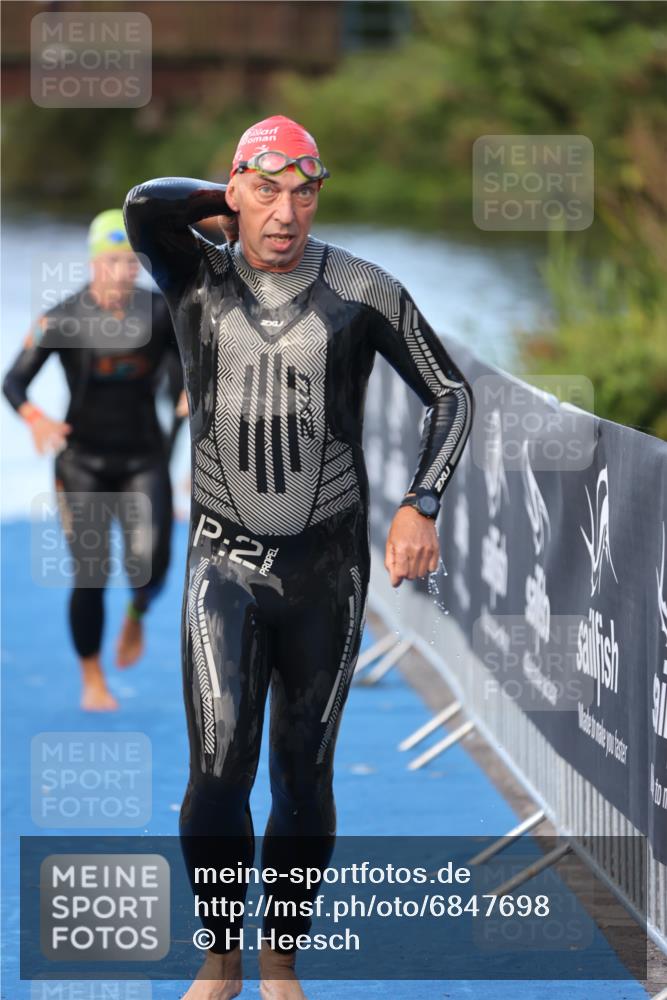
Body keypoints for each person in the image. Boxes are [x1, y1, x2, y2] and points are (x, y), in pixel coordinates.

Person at [123, 115, 474, 1000]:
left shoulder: (361, 289)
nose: (286, 213)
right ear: (234, 191)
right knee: (216, 774)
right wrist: (235, 194)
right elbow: (143, 204)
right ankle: (219, 955)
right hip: (223, 566)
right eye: (267, 191)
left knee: (302, 776)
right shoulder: (194, 274)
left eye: (304, 193)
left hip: (327, 574)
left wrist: (420, 501)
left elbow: (450, 393)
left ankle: (278, 957)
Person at [2, 210, 183, 711]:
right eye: (112, 261)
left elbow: (193, 361)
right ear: (93, 263)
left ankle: (137, 613)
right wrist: (35, 418)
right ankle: (93, 679)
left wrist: (193, 393)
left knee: (153, 563)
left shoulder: (159, 312)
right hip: (81, 462)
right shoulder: (62, 317)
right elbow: (12, 382)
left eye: (131, 262)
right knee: (91, 571)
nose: (122, 272)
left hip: (144, 459)